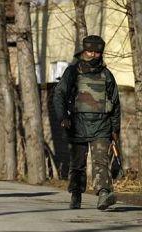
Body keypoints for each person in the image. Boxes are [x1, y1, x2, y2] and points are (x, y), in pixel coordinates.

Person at [53, 35, 121, 210]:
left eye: (97, 52)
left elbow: (115, 103)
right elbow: (59, 94)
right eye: (90, 51)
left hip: (101, 126)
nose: (93, 55)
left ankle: (104, 194)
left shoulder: (107, 75)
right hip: (77, 125)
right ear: (83, 51)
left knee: (101, 161)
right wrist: (63, 118)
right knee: (78, 164)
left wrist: (115, 129)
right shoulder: (72, 72)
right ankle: (76, 194)